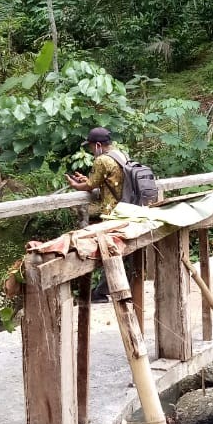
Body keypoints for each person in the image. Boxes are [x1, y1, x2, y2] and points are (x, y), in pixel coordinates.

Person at [66, 126, 126, 300]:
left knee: (109, 252)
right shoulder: (120, 155)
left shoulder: (102, 160)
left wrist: (76, 185)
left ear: (98, 145)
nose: (91, 151)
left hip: (111, 212)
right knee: (119, 251)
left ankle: (102, 292)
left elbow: (89, 186)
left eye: (91, 147)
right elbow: (105, 180)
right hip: (125, 207)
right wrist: (88, 180)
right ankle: (107, 289)